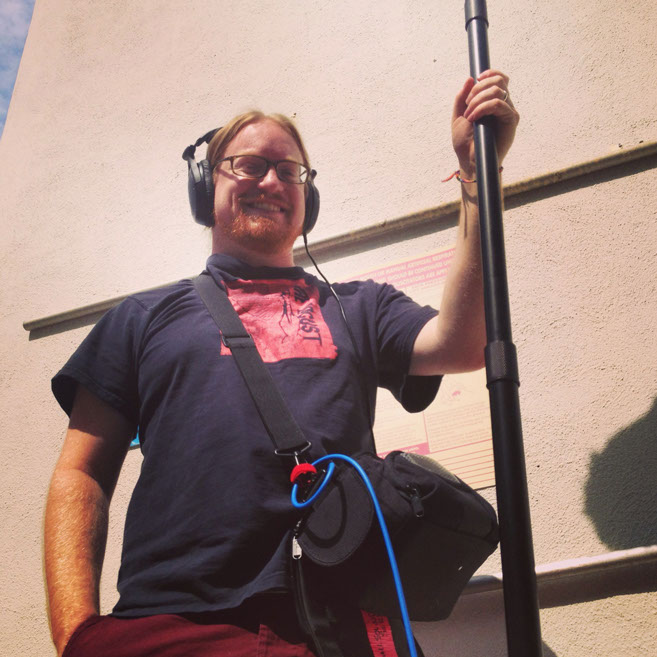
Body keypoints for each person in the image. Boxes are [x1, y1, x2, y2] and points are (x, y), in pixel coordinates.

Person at [44, 70, 519, 657]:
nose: (271, 181)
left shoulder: (361, 305)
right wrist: (76, 631)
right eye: (249, 165)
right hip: (174, 626)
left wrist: (477, 174)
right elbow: (82, 471)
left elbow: (463, 344)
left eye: (290, 171)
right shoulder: (141, 317)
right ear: (205, 187)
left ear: (307, 198)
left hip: (342, 626)